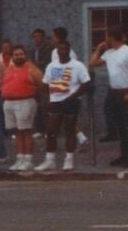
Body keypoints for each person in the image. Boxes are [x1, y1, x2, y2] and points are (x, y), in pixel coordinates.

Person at [35, 40, 91, 172]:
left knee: (69, 131)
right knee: (51, 131)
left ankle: (69, 160)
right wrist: (47, 100)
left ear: (69, 50)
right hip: (55, 101)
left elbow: (86, 84)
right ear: (57, 51)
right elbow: (45, 84)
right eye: (60, 49)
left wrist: (73, 96)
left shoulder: (78, 65)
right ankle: (50, 161)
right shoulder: (51, 66)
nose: (63, 52)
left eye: (66, 49)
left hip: (71, 101)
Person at [89, 28, 128, 167]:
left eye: (107, 38)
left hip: (125, 91)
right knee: (120, 126)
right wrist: (99, 49)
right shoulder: (108, 53)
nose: (106, 41)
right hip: (113, 92)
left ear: (112, 38)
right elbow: (93, 63)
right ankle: (123, 155)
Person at [1, 44, 43, 171]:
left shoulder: (31, 69)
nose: (18, 56)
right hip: (9, 103)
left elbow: (42, 84)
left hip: (25, 102)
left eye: (21, 54)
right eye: (16, 55)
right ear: (12, 56)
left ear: (25, 55)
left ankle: (28, 160)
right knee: (17, 132)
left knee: (26, 132)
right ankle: (20, 159)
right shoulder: (9, 69)